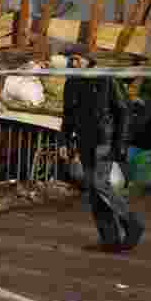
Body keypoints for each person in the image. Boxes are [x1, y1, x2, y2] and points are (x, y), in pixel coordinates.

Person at [58, 53, 144, 251]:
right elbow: (68, 115)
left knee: (99, 184)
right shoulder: (71, 83)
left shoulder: (106, 78)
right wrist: (63, 141)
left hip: (104, 140)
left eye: (78, 58)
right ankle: (110, 239)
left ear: (89, 60)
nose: (74, 62)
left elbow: (123, 111)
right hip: (83, 141)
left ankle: (131, 222)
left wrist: (120, 144)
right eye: (71, 59)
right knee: (94, 191)